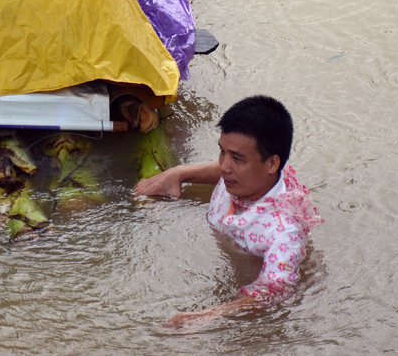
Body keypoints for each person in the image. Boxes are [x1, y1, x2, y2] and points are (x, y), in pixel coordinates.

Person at [134, 95, 322, 329]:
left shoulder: (283, 235)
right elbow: (223, 169)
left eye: (237, 158)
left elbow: (273, 293)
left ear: (272, 164)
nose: (224, 166)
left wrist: (210, 315)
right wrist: (180, 174)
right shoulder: (247, 176)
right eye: (222, 152)